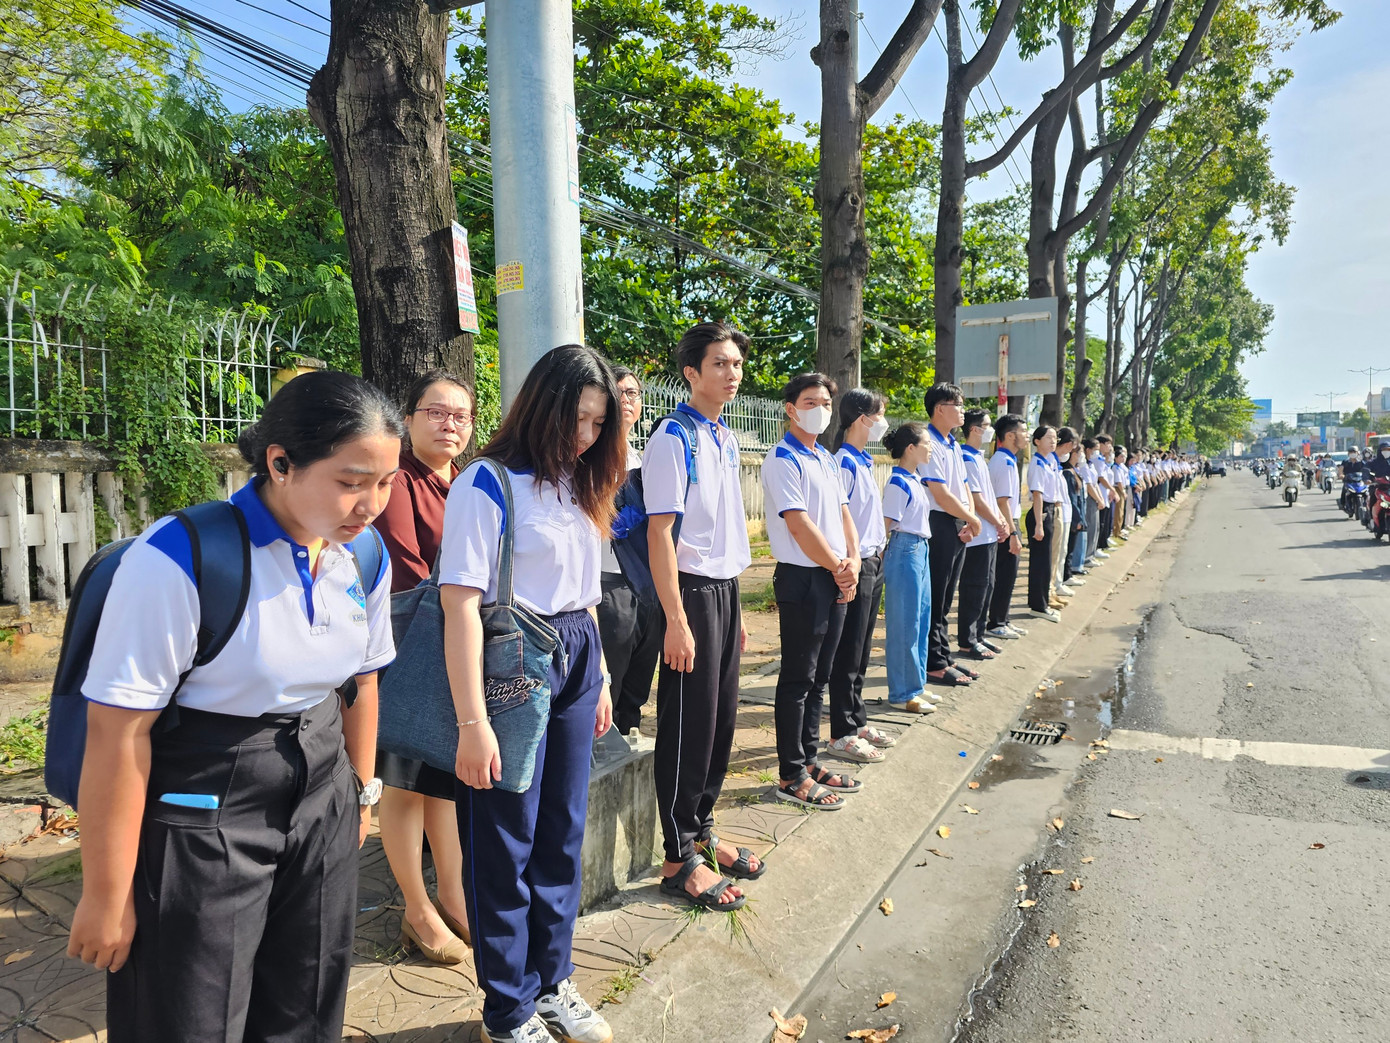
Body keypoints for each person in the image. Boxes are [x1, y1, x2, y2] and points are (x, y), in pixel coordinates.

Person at [69, 371, 400, 1042]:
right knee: (190, 1012)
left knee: (307, 1003)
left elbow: (364, 682)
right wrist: (106, 896)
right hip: (205, 798)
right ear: (280, 462)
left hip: (322, 789)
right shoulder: (182, 556)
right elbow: (116, 734)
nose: (372, 503)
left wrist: (359, 796)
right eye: (351, 480)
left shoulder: (361, 555)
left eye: (387, 481)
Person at [441, 344, 623, 1043]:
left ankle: (552, 980)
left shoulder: (580, 482)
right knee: (505, 839)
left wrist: (600, 672)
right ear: (542, 405)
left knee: (562, 831)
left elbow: (589, 592)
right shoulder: (486, 483)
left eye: (598, 423)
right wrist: (471, 721)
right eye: (577, 417)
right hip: (515, 659)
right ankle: (508, 1006)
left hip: (576, 654)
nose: (585, 434)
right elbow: (459, 605)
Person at [645, 322, 758, 910]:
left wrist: (733, 604)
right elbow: (660, 533)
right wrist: (676, 618)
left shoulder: (725, 436)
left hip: (723, 591)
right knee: (686, 725)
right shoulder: (673, 437)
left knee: (719, 723)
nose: (732, 373)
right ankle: (678, 854)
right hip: (688, 593)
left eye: (737, 364)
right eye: (719, 363)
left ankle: (705, 828)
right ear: (691, 373)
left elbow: (729, 528)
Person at [374, 370, 475, 964]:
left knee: (444, 780)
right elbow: (409, 570)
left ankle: (454, 895)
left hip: (453, 651)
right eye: (436, 412)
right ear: (409, 420)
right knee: (405, 784)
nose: (449, 424)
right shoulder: (399, 482)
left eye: (460, 415)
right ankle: (416, 908)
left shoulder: (462, 482)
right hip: (407, 648)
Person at [763, 373, 861, 809]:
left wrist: (852, 560)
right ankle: (791, 774)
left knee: (820, 676)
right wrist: (839, 566)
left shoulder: (825, 458)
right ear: (790, 407)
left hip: (835, 573)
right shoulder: (783, 459)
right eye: (809, 401)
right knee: (798, 679)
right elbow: (798, 524)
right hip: (804, 577)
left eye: (825, 402)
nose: (819, 409)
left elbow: (843, 514)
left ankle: (810, 758)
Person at [827, 388, 895, 763]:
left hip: (873, 561)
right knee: (848, 651)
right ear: (861, 419)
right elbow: (841, 521)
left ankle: (857, 718)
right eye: (879, 414)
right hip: (857, 565)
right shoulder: (844, 464)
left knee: (863, 648)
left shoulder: (863, 461)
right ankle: (842, 731)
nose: (882, 422)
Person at [599, 367, 665, 737]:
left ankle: (629, 737)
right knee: (611, 680)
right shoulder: (589, 458)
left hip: (647, 585)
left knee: (638, 683)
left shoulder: (642, 459)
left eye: (635, 393)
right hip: (609, 586)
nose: (628, 400)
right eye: (620, 392)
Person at [919, 384, 981, 688]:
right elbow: (939, 492)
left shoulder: (953, 444)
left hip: (957, 521)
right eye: (956, 404)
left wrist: (969, 518)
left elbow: (964, 485)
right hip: (938, 523)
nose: (962, 409)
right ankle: (934, 664)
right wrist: (968, 517)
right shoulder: (928, 441)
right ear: (939, 408)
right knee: (935, 595)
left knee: (946, 597)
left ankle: (943, 655)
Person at [880, 423, 937, 713]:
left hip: (920, 549)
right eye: (926, 443)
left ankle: (917, 685)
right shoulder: (898, 483)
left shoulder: (915, 479)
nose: (930, 447)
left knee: (920, 620)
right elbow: (886, 526)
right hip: (904, 550)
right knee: (904, 624)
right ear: (910, 448)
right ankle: (902, 693)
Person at [956, 410, 1008, 661]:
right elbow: (975, 499)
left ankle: (979, 634)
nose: (991, 431)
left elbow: (988, 495)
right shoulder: (966, 457)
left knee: (987, 586)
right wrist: (998, 521)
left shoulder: (978, 457)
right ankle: (967, 641)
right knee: (974, 588)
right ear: (975, 429)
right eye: (987, 426)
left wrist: (1001, 521)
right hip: (977, 535)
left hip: (988, 534)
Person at [985, 413, 1028, 642]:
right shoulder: (1003, 461)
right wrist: (1012, 533)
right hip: (1005, 527)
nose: (1027, 436)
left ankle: (1004, 619)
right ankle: (996, 622)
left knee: (1009, 576)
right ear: (1010, 436)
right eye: (1024, 431)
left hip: (1009, 524)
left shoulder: (1009, 460)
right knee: (1003, 576)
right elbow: (1002, 502)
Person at [1026, 425, 1062, 622]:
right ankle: (1038, 605)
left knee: (1045, 562)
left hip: (1048, 510)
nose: (1053, 441)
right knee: (1040, 562)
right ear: (1037, 441)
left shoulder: (1049, 461)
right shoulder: (1038, 463)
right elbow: (1037, 495)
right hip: (1041, 513)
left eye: (1055, 438)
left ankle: (1042, 602)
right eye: (1049, 437)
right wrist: (1039, 524)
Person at [1052, 428, 1079, 598]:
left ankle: (1058, 583)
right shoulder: (1049, 461)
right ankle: (1054, 585)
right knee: (1056, 553)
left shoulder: (1056, 462)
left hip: (1064, 512)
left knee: (1061, 552)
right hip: (1057, 512)